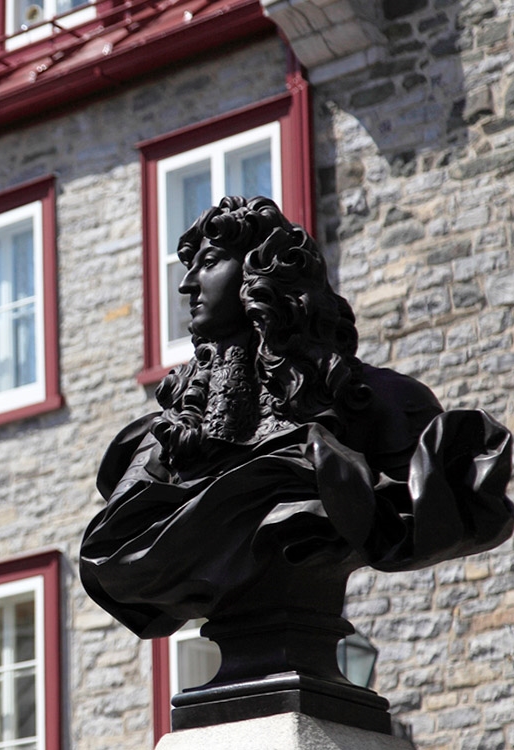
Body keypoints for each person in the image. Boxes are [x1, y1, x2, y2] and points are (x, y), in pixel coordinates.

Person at [80, 196, 514, 640]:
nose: (186, 285)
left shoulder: (382, 403)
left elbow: (447, 513)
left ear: (257, 272)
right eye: (188, 266)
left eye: (208, 262)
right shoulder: (162, 440)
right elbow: (111, 557)